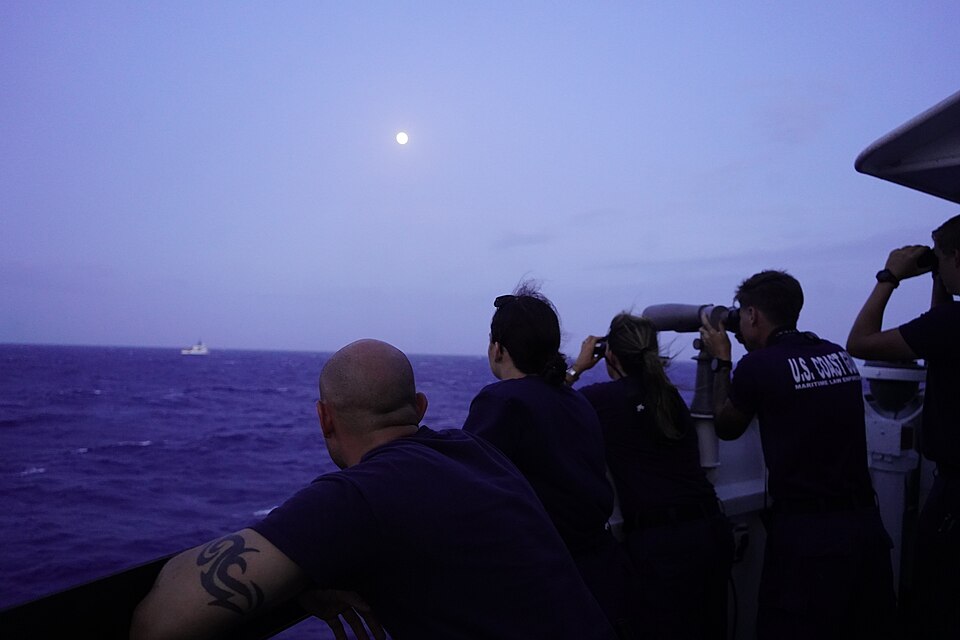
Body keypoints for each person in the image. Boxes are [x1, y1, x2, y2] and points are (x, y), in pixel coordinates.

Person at [130, 339, 618, 640]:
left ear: (324, 418)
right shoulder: (477, 454)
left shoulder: (362, 496)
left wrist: (299, 569)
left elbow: (160, 622)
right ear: (420, 407)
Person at [699, 270, 896, 640]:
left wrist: (723, 360)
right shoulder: (837, 355)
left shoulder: (759, 367)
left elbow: (727, 426)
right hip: (864, 526)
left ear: (753, 315)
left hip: (808, 536)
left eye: (742, 314)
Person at [462, 285, 636, 638]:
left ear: (497, 349)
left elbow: (466, 490)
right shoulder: (576, 402)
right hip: (600, 576)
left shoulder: (501, 401)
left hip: (548, 585)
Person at [570, 313, 733, 640]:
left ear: (610, 355)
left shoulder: (603, 399)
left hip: (662, 547)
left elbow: (547, 405)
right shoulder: (668, 395)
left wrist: (578, 368)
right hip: (709, 532)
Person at [847, 214, 960, 639]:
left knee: (938, 604)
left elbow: (858, 341)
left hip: (955, 495)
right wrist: (939, 279)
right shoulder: (949, 324)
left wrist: (889, 277)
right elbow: (937, 333)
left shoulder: (951, 325)